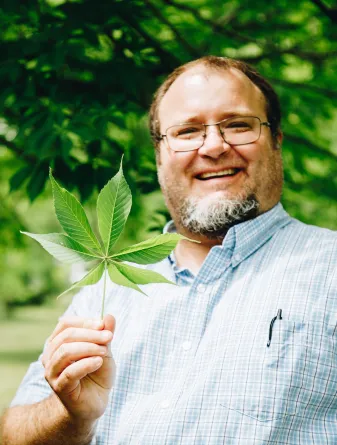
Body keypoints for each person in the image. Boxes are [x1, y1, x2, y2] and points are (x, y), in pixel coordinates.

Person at [1, 55, 337, 444]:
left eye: (238, 125)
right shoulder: (108, 291)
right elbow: (13, 434)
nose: (213, 146)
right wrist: (69, 414)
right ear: (160, 155)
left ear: (276, 139)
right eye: (188, 131)